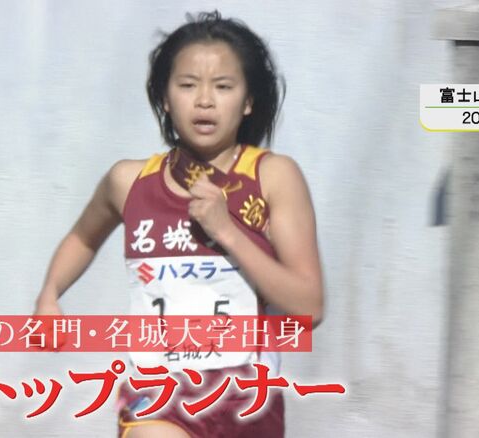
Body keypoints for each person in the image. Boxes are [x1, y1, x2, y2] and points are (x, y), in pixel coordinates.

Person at [33, 11, 323, 438]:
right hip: (156, 397)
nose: (204, 100)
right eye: (187, 85)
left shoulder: (274, 177)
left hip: (247, 404)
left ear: (248, 101)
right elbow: (82, 237)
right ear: (165, 98)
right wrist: (50, 294)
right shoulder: (128, 181)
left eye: (222, 87)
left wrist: (227, 232)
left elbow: (309, 308)